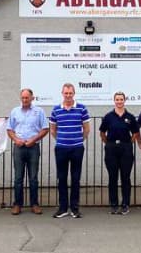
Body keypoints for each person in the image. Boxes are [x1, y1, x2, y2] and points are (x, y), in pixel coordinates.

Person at [49, 83, 90, 218]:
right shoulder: (56, 110)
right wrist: (62, 140)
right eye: (66, 93)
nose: (68, 95)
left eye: (70, 93)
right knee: (61, 178)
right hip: (61, 148)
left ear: (74, 93)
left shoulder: (82, 108)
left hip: (77, 148)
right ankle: (63, 208)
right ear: (62, 93)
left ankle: (75, 208)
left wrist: (77, 140)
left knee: (76, 178)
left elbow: (86, 129)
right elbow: (53, 130)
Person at [7, 88, 49, 215]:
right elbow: (9, 129)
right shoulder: (15, 111)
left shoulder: (39, 111)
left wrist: (34, 139)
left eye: (27, 98)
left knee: (33, 178)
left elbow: (45, 128)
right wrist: (15, 139)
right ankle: (17, 204)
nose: (25, 100)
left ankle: (34, 204)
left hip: (33, 147)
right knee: (18, 178)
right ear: (21, 98)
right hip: (19, 147)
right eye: (23, 98)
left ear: (32, 98)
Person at [98, 91, 141, 215]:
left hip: (126, 148)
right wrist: (109, 143)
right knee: (112, 177)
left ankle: (125, 204)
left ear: (124, 100)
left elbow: (135, 132)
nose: (119, 101)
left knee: (125, 177)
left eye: (121, 99)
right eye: (117, 99)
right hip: (111, 148)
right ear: (114, 101)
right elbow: (102, 132)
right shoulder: (108, 116)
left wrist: (128, 143)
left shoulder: (130, 117)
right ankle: (114, 204)